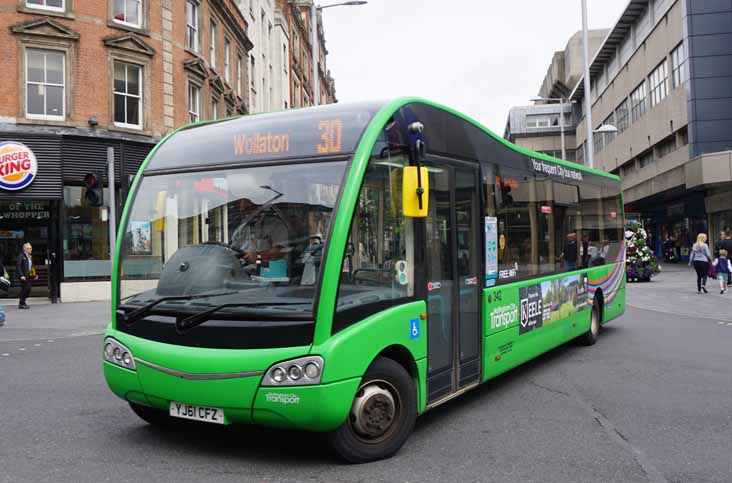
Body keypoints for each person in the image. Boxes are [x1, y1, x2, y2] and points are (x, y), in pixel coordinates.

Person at [16, 242, 37, 309]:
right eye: (29, 248)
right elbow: (18, 266)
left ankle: (22, 303)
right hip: (23, 276)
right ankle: (21, 304)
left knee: (27, 289)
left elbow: (31, 267)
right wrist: (21, 275)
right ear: (25, 249)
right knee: (26, 289)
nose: (31, 249)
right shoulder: (21, 256)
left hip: (28, 276)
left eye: (31, 248)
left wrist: (34, 275)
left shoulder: (30, 256)